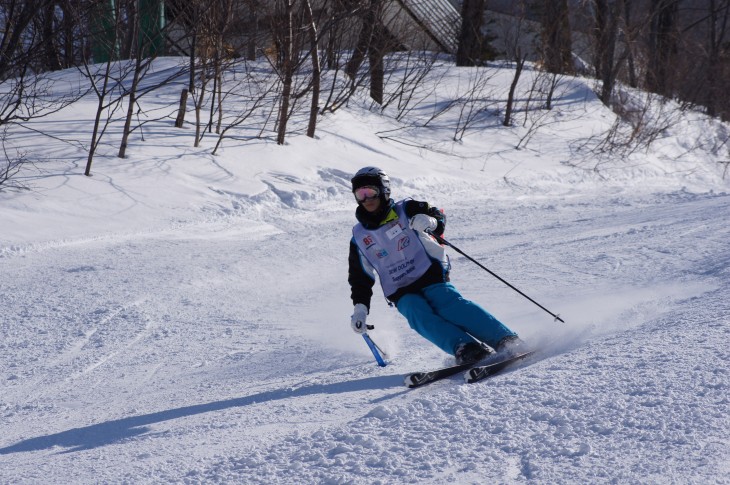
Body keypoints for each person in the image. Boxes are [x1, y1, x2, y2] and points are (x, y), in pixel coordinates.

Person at [347, 166, 525, 364]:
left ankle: (504, 340)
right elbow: (360, 278)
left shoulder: (407, 209)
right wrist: (360, 309)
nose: (366, 199)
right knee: (416, 313)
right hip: (400, 288)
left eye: (370, 192)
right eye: (360, 194)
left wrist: (430, 221)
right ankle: (465, 348)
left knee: (447, 304)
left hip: (428, 272)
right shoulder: (359, 238)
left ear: (384, 190)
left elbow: (438, 218)